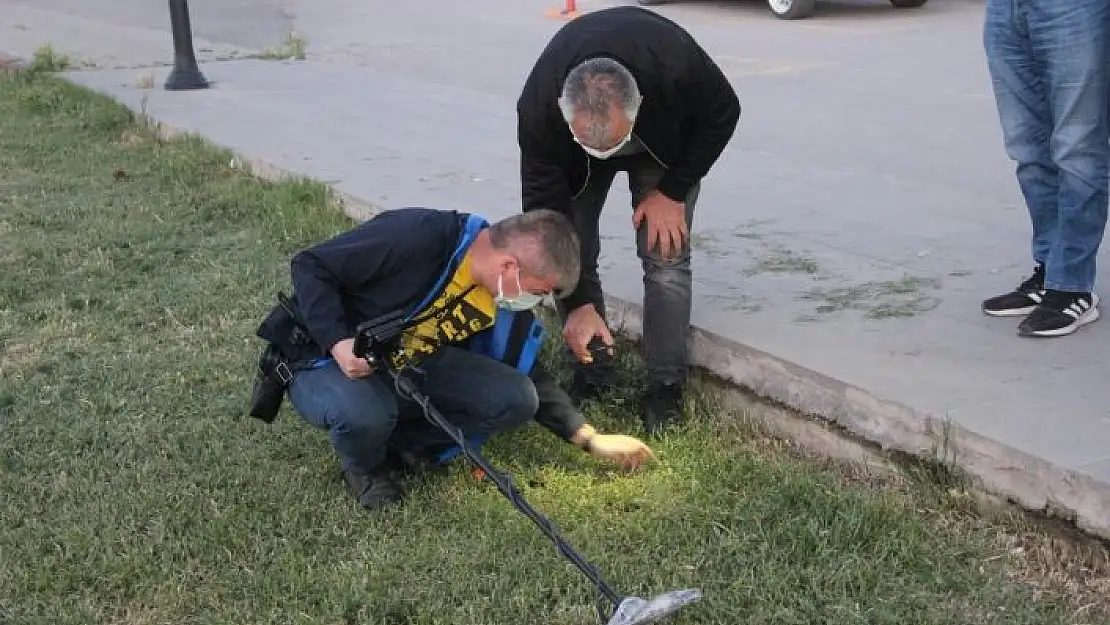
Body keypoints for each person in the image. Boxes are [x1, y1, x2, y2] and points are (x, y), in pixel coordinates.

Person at [256, 207, 655, 511]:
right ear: (509, 266)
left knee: (517, 396)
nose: (537, 300)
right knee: (363, 413)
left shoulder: (495, 291)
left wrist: (587, 437)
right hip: (320, 356)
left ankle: (406, 446)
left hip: (409, 361)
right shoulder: (421, 236)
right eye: (539, 290)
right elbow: (310, 264)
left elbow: (527, 366)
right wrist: (337, 341)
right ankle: (365, 466)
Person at [515, 6, 741, 433]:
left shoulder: (673, 62)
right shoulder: (540, 108)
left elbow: (723, 114)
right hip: (572, 161)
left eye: (614, 140)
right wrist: (577, 301)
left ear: (638, 107)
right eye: (590, 139)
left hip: (663, 147)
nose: (606, 152)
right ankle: (593, 373)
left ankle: (665, 388)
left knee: (666, 257)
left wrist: (673, 191)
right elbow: (546, 217)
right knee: (573, 249)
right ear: (566, 115)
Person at [980, 0, 1109, 337]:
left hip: (1075, 8)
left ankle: (1072, 285)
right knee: (1028, 149)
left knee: (1077, 147)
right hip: (1004, 9)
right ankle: (1050, 271)